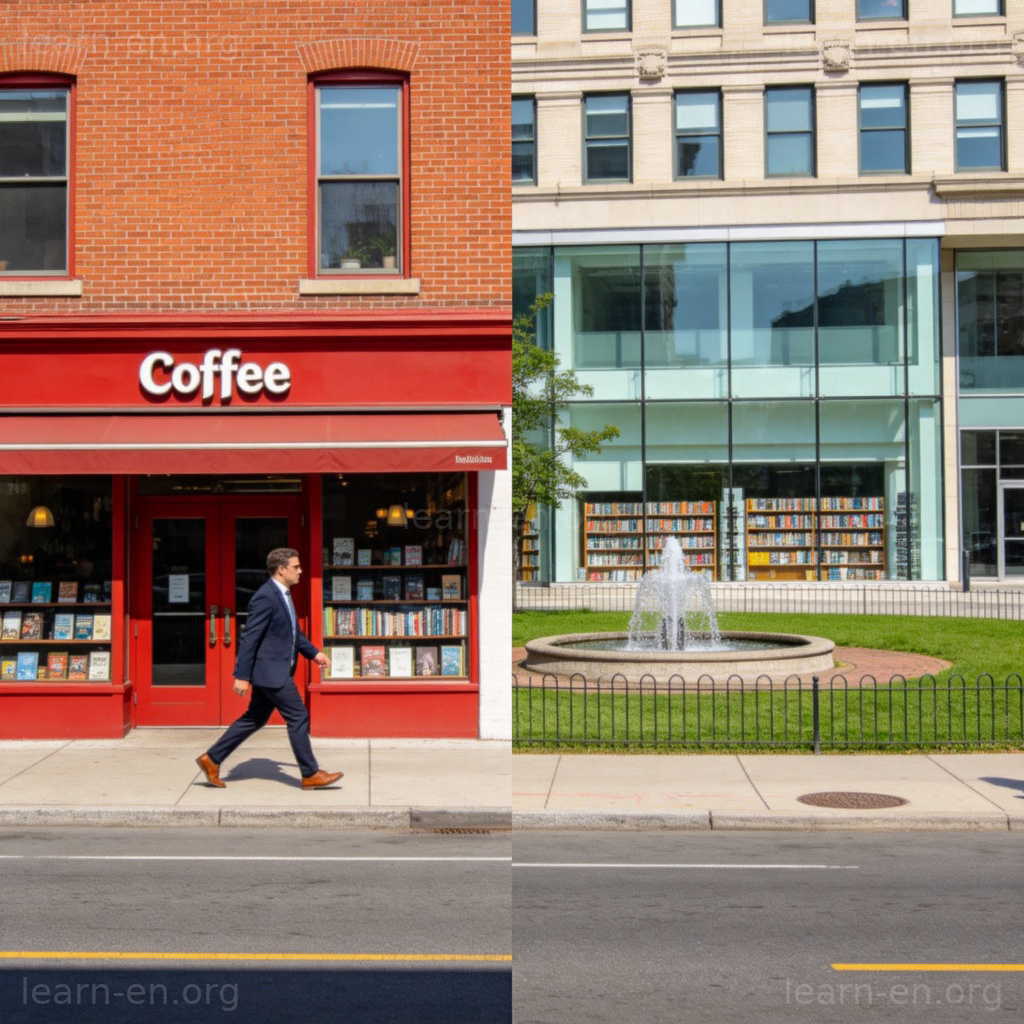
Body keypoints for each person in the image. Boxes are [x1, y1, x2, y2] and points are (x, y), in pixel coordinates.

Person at [196, 547, 342, 790]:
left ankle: (211, 759)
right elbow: (250, 637)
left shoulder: (282, 593)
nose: (301, 571)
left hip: (274, 670)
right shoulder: (266, 596)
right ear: (281, 569)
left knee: (254, 718)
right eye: (296, 567)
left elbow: (293, 634)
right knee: (298, 716)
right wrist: (241, 676)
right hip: (272, 672)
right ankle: (310, 773)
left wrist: (314, 653)